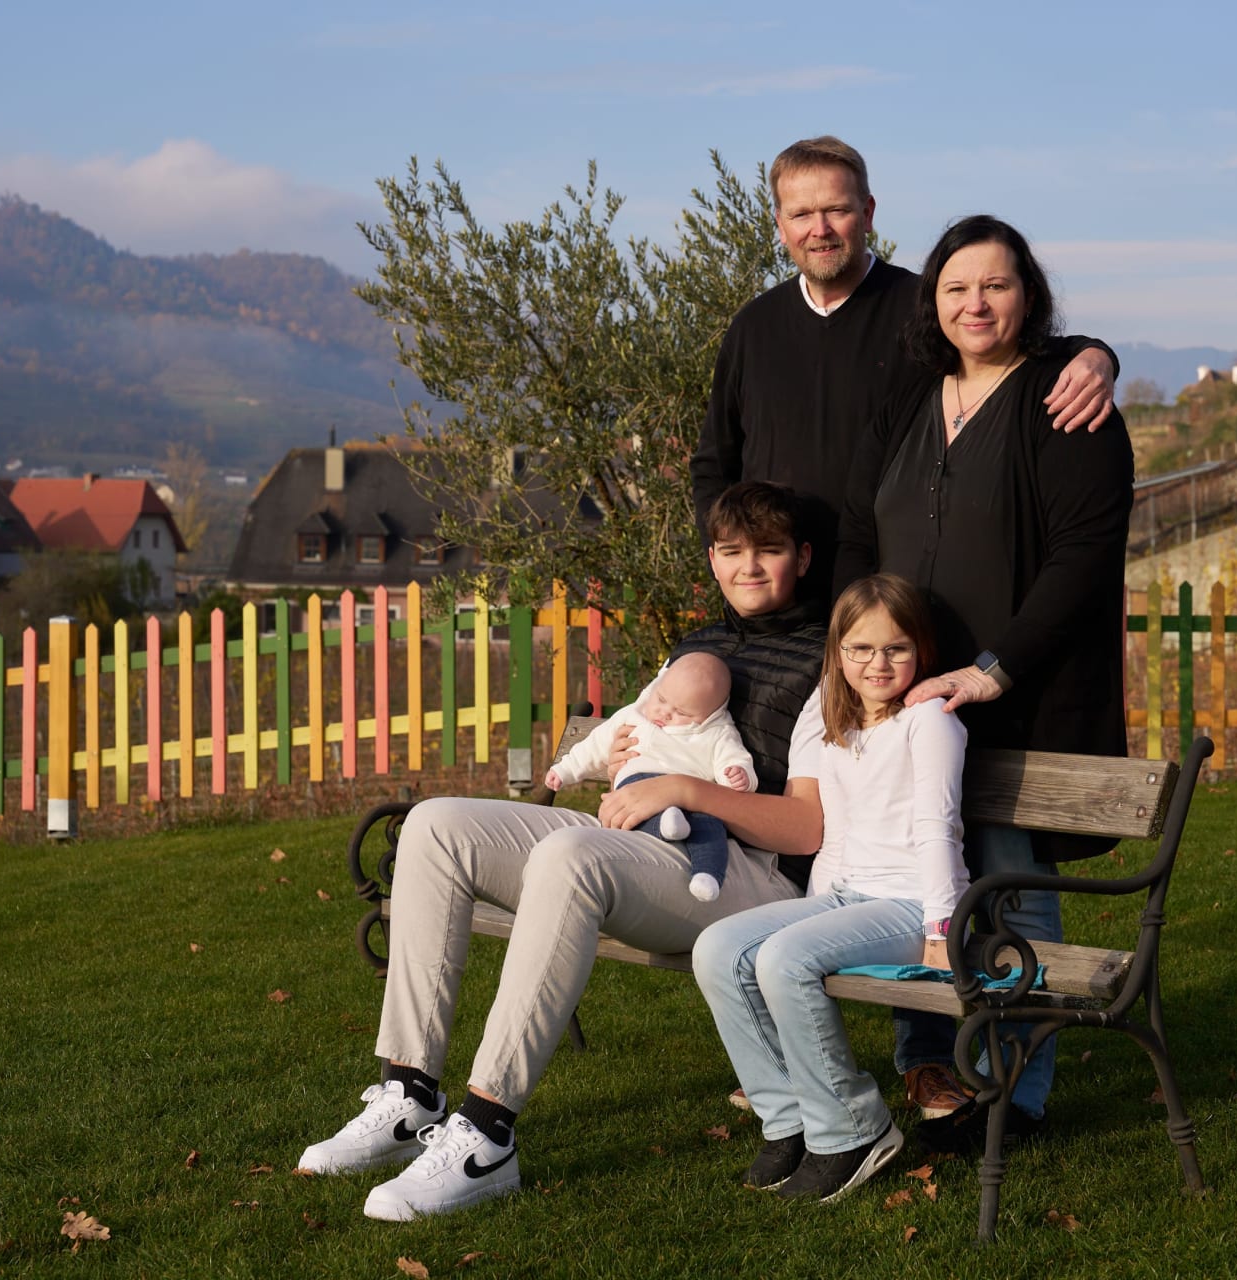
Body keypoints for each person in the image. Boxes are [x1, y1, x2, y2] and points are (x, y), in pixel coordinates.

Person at [297, 481, 827, 1221]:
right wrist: (625, 768)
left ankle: (487, 1138)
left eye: (768, 550)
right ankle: (408, 1096)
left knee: (570, 857)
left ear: (803, 556)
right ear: (711, 558)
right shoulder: (696, 646)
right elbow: (632, 746)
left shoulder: (827, 660)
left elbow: (806, 829)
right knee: (435, 825)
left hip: (746, 876)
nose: (749, 567)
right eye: (732, 551)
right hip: (644, 846)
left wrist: (686, 788)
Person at [833, 213, 1135, 1148]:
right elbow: (858, 529)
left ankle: (1017, 1093)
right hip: (906, 702)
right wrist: (859, 653)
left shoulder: (1066, 398)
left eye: (996, 285)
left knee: (1009, 892)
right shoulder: (911, 398)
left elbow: (1084, 556)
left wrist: (994, 670)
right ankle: (932, 1071)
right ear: (933, 300)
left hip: (1018, 702)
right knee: (909, 885)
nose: (976, 303)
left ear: (1027, 295)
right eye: (957, 287)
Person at [690, 135, 1120, 609]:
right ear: (779, 225)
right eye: (801, 215)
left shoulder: (925, 309)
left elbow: (1007, 344)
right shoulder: (753, 326)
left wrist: (1094, 354)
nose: (820, 229)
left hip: (888, 608)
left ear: (868, 212)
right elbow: (714, 463)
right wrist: (732, 561)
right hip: (776, 605)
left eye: (837, 210)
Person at [693, 573, 965, 1201]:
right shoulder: (834, 720)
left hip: (911, 904)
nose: (877, 664)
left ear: (921, 650)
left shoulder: (929, 721)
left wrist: (940, 931)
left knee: (785, 960)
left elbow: (938, 829)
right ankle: (789, 1119)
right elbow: (835, 833)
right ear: (838, 653)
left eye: (896, 648)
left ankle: (853, 1129)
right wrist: (813, 909)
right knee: (718, 948)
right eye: (860, 649)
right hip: (846, 898)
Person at [545, 650, 757, 902]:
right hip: (637, 785)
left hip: (694, 799)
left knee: (712, 828)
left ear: (712, 714)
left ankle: (707, 876)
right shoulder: (634, 716)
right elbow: (595, 746)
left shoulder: (717, 732)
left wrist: (737, 774)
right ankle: (668, 823)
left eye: (682, 713)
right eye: (661, 699)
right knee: (638, 814)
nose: (664, 712)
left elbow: (734, 759)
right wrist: (565, 769)